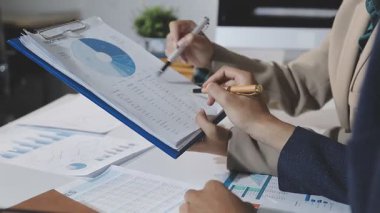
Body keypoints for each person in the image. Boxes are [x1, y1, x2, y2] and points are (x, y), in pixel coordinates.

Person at [166, 0, 379, 202]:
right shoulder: (357, 6)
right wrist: (210, 56)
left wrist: (260, 127)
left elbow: (366, 170)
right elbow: (302, 83)